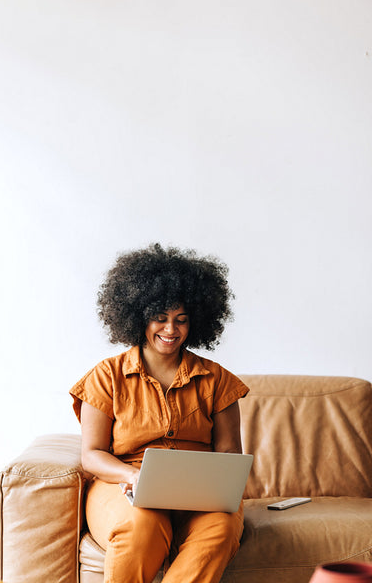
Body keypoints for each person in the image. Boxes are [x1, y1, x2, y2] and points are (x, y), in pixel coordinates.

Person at [70, 243, 249, 583]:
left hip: (200, 492)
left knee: (222, 529)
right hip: (124, 484)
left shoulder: (218, 380)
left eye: (181, 320)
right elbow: (92, 455)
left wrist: (213, 486)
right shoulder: (106, 375)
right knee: (141, 525)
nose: (171, 330)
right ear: (139, 316)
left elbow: (229, 455)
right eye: (161, 318)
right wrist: (132, 477)